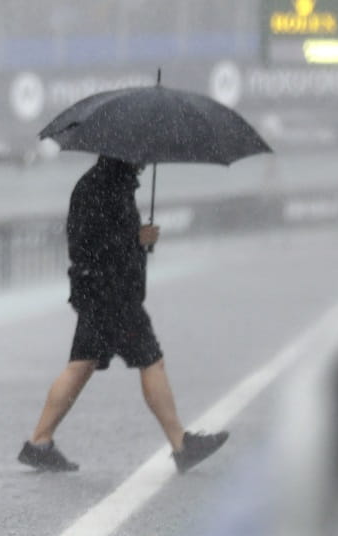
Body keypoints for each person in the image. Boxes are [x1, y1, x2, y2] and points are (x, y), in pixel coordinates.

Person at [19, 156, 228, 474]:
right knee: (150, 360)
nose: (144, 162)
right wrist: (137, 239)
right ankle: (181, 445)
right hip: (112, 295)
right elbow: (92, 244)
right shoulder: (105, 187)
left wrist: (137, 241)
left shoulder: (104, 183)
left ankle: (39, 442)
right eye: (140, 157)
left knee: (82, 364)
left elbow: (96, 243)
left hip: (99, 291)